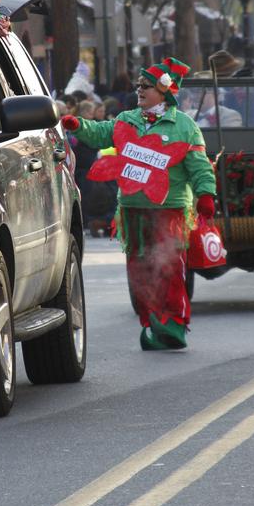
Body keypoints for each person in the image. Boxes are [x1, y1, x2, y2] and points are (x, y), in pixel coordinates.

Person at [61, 58, 217, 351]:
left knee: (169, 269)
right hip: (133, 211)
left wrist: (206, 194)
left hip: (169, 211)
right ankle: (153, 324)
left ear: (165, 91)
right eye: (138, 86)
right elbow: (100, 132)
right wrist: (78, 125)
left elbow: (199, 167)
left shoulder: (184, 126)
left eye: (146, 86)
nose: (139, 90)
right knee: (140, 272)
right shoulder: (126, 120)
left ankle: (173, 326)